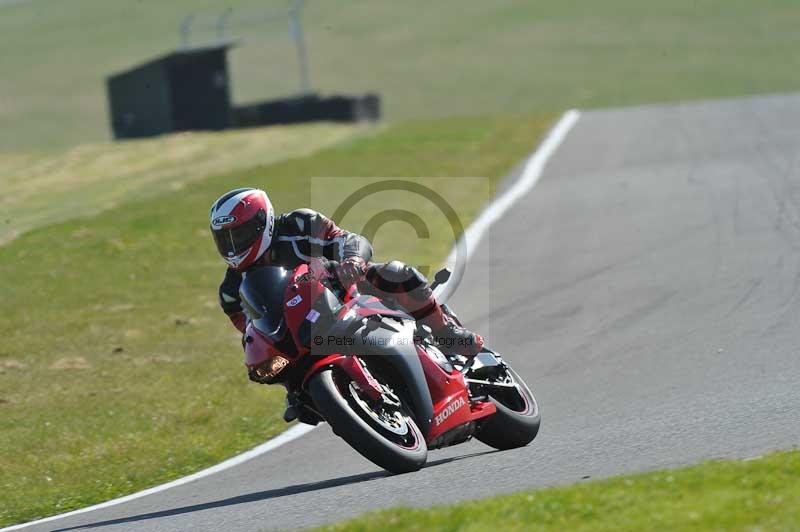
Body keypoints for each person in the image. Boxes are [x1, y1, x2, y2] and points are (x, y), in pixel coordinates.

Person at [210, 187, 483, 420]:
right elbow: (249, 326)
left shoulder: (300, 224)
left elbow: (345, 239)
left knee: (397, 274)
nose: (233, 246)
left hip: (342, 291)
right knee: (291, 388)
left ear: (263, 222)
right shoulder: (231, 290)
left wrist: (352, 260)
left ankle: (445, 334)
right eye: (225, 239)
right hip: (300, 331)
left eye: (241, 234)